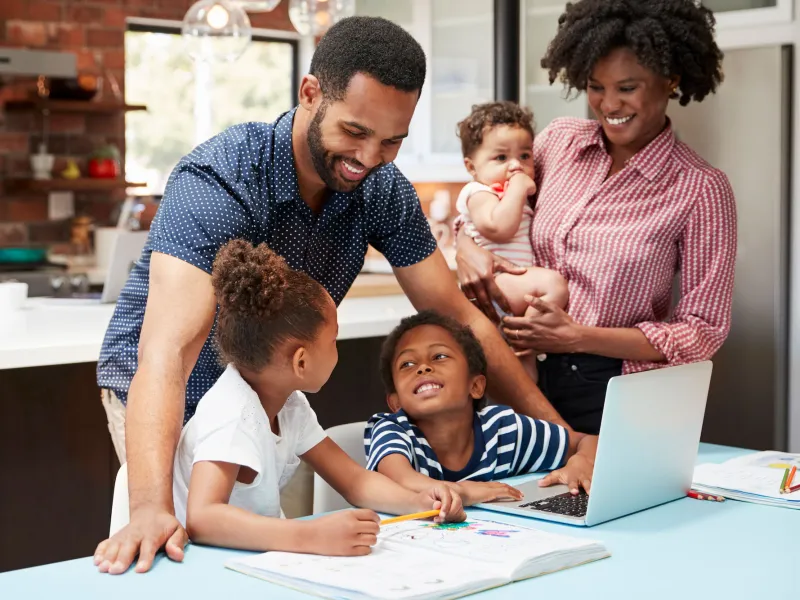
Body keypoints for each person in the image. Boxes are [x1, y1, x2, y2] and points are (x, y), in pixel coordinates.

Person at [95, 16, 595, 575]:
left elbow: (461, 318)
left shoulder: (379, 188)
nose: (370, 156)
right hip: (172, 389)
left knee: (259, 552)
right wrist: (148, 508)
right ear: (310, 93)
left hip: (267, 391)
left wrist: (573, 442)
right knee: (180, 544)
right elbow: (167, 353)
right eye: (355, 132)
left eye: (392, 141)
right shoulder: (223, 178)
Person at [456, 0, 737, 435]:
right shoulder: (558, 142)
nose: (608, 104)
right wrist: (465, 245)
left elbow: (702, 332)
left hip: (608, 385)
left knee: (593, 502)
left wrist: (577, 336)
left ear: (671, 80)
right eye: (595, 86)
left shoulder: (700, 188)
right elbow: (496, 206)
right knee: (518, 499)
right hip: (516, 366)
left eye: (627, 88)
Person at [97, 241, 463, 568]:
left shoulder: (290, 406)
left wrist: (418, 502)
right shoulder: (232, 413)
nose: (338, 349)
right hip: (185, 566)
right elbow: (203, 519)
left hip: (236, 561)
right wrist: (310, 536)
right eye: (333, 339)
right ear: (301, 362)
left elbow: (354, 481)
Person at [364, 311, 597, 505]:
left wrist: (581, 461)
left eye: (439, 356)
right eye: (408, 364)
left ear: (475, 385)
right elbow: (399, 479)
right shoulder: (392, 429)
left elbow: (590, 441)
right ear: (395, 403)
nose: (423, 368)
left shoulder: (504, 430)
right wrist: (462, 491)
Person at [455, 101, 568, 380]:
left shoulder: (510, 195)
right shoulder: (478, 192)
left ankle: (522, 412)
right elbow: (498, 228)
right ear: (472, 166)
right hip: (494, 282)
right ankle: (524, 334)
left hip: (511, 286)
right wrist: (519, 187)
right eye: (501, 158)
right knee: (554, 284)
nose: (516, 165)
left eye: (525, 155)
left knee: (523, 376)